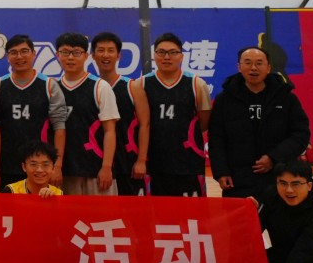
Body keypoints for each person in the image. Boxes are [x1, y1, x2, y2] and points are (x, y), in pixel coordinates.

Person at [208, 47, 312, 199]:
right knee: (239, 215)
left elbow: (300, 134)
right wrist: (221, 172)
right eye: (247, 63)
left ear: (268, 68)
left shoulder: (286, 98)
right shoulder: (224, 100)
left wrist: (273, 158)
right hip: (237, 179)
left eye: (259, 63)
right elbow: (216, 139)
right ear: (239, 67)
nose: (253, 68)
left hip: (279, 176)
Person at [131, 33, 213, 197]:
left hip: (188, 161)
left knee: (192, 211)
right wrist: (141, 160)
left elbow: (204, 122)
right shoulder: (141, 84)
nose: (167, 57)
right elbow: (143, 123)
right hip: (154, 161)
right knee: (156, 210)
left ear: (181, 56)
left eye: (172, 52)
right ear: (154, 55)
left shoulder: (196, 84)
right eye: (161, 52)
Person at [0, 140, 68, 263]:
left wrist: (51, 207)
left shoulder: (58, 195)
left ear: (53, 167)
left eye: (45, 165)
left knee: (62, 253)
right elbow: (3, 235)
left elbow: (62, 234)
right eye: (33, 164)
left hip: (43, 258)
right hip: (17, 262)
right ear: (24, 167)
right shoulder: (10, 191)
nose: (40, 170)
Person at [0, 34, 69, 184]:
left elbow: (59, 127)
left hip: (41, 165)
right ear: (7, 57)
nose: (19, 56)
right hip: (7, 163)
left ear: (33, 54)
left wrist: (57, 165)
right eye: (13, 52)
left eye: (24, 51)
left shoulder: (49, 85)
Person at [52, 32, 119, 195]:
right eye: (65, 52)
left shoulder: (100, 87)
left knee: (102, 212)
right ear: (57, 55)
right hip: (63, 172)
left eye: (76, 52)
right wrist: (55, 167)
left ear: (86, 56)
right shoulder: (52, 88)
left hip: (96, 171)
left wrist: (106, 167)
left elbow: (109, 131)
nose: (70, 57)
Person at [91, 32, 143, 196]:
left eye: (111, 50)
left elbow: (145, 125)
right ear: (92, 55)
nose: (106, 55)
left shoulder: (132, 87)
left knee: (133, 210)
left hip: (128, 163)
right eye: (101, 50)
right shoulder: (90, 87)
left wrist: (141, 160)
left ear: (119, 55)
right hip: (97, 164)